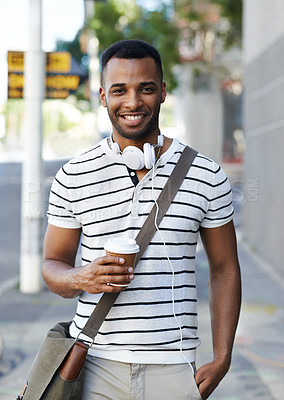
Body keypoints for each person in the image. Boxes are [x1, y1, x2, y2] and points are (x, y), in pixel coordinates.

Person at [43, 39, 241, 400]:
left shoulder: (206, 174)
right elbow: (52, 265)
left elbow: (225, 268)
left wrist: (223, 355)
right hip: (92, 363)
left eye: (145, 89)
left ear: (163, 92)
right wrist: (80, 277)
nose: (133, 102)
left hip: (175, 368)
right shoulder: (73, 176)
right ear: (103, 96)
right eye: (119, 90)